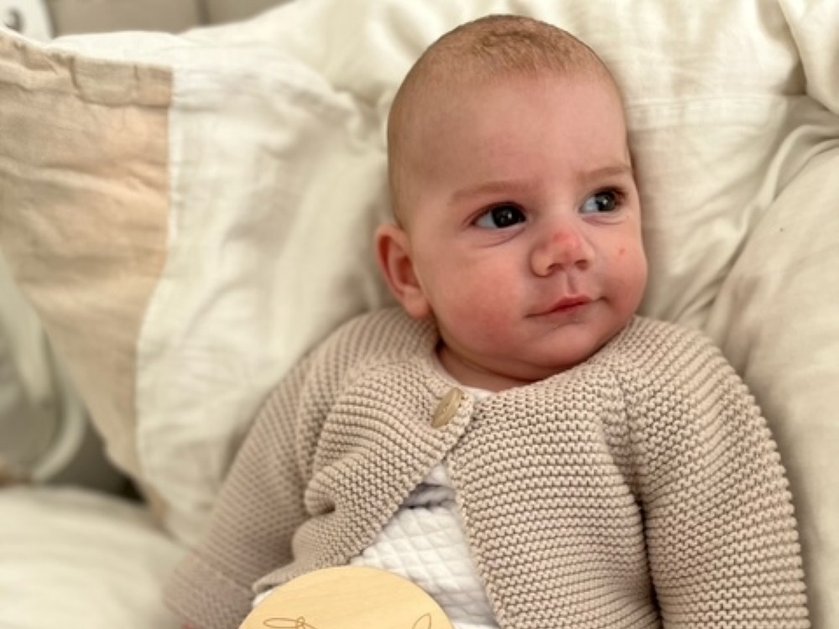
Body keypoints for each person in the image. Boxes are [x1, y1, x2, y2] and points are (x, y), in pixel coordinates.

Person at [166, 15, 809, 629]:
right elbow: (246, 534)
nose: (569, 247)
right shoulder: (354, 361)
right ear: (410, 273)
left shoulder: (672, 383)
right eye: (505, 216)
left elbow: (733, 581)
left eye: (602, 201)